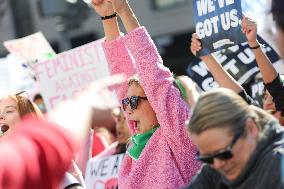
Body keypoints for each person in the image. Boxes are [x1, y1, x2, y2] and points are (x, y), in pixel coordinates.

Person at [92, 0, 201, 188]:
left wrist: (124, 11)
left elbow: (154, 74)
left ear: (157, 103)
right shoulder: (136, 143)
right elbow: (120, 71)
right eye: (125, 102)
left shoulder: (179, 136)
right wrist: (108, 16)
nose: (127, 109)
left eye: (134, 101)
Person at [190, 16, 284, 125]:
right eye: (265, 96)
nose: (267, 103)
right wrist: (205, 56)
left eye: (275, 97)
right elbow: (238, 95)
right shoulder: (261, 127)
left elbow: (274, 85)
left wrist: (254, 43)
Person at [183, 88, 284, 189]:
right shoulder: (217, 161)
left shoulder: (278, 165)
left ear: (251, 128)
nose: (217, 165)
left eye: (224, 153)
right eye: (207, 158)